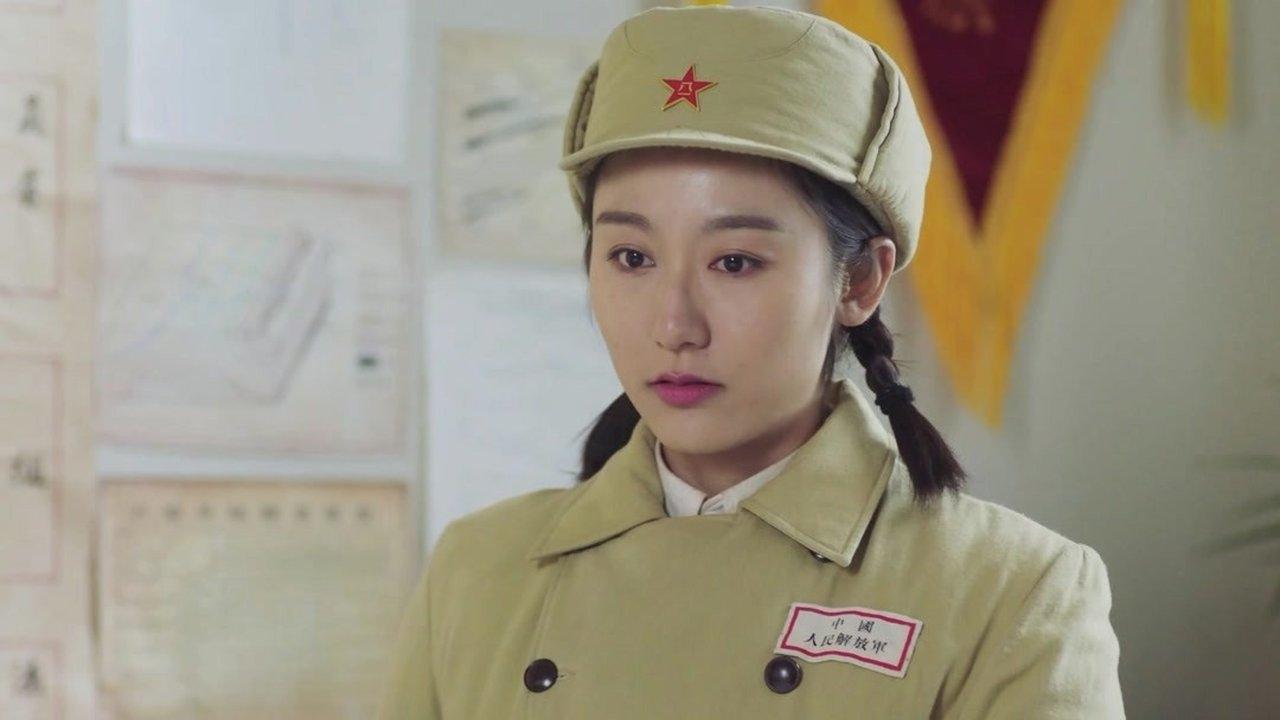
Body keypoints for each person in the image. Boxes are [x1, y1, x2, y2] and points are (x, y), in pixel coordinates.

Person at [377, 5, 1124, 718]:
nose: (674, 325)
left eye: (734, 262)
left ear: (859, 282)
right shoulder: (476, 571)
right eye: (631, 257)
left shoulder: (1009, 592)